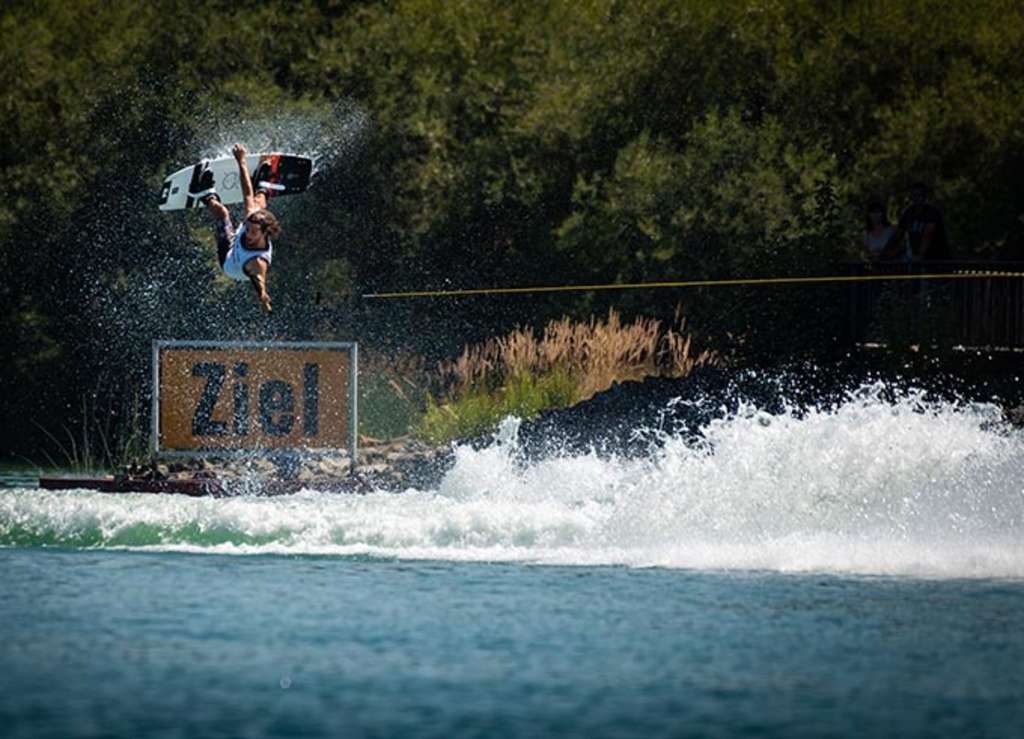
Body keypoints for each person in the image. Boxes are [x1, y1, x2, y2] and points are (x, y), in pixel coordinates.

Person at [191, 143, 281, 312]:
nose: (248, 234)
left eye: (253, 232)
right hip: (241, 249)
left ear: (265, 233)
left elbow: (258, 279)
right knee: (257, 202)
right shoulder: (251, 220)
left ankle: (204, 194)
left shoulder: (258, 261)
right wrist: (242, 161)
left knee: (223, 214)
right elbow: (246, 192)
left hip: (231, 262)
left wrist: (262, 295)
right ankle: (262, 187)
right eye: (248, 228)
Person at [895, 181, 950, 261]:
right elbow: (898, 235)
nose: (917, 198)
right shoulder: (908, 213)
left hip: (937, 258)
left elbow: (928, 235)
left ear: (925, 196)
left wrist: (919, 256)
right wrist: (886, 253)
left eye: (920, 195)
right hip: (918, 258)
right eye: (914, 195)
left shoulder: (932, 212)